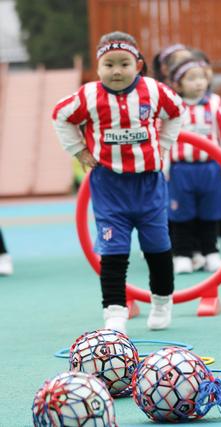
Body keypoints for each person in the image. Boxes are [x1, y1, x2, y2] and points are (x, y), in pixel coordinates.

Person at [52, 31, 184, 333]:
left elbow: (177, 111)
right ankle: (114, 310)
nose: (116, 71)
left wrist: (164, 144)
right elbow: (60, 115)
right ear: (98, 67)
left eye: (124, 63)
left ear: (137, 64)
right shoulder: (88, 96)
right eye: (108, 64)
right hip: (109, 187)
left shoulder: (153, 90)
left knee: (158, 248)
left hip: (148, 185)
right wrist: (78, 150)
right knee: (113, 251)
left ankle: (162, 301)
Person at [167, 58, 221, 274]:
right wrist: (162, 167)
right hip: (181, 169)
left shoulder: (215, 104)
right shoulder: (172, 106)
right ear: (178, 84)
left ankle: (211, 252)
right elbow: (164, 137)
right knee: (180, 214)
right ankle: (183, 254)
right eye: (191, 78)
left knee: (211, 212)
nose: (199, 82)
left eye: (201, 77)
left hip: (210, 168)